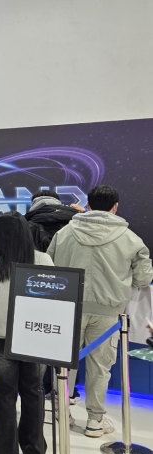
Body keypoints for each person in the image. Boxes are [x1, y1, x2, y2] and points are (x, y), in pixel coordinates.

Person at [47, 185, 153, 437]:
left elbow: (48, 267)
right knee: (100, 366)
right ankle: (95, 421)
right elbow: (143, 278)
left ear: (89, 205)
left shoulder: (64, 233)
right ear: (115, 206)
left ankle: (62, 411)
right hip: (108, 311)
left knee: (64, 362)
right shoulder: (130, 238)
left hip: (69, 306)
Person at [0, 211, 52, 454]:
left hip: (2, 337)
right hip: (36, 335)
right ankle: (34, 449)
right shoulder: (44, 260)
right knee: (33, 392)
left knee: (5, 395)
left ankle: (6, 452)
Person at [24, 190, 83, 402]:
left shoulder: (27, 224)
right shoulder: (76, 221)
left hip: (38, 286)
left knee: (40, 338)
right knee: (68, 341)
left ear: (34, 203)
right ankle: (67, 390)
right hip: (70, 286)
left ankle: (41, 386)